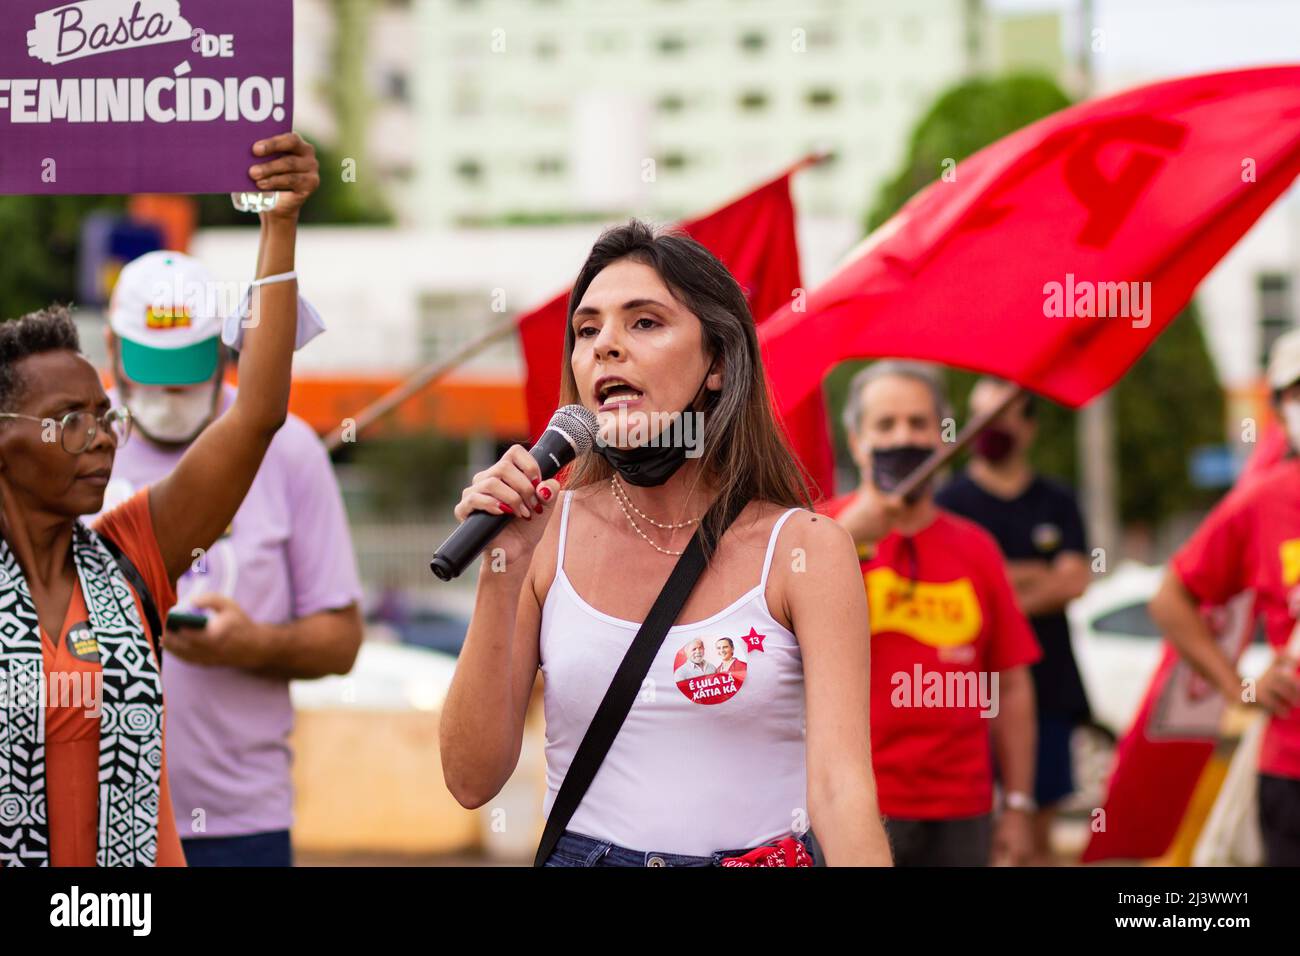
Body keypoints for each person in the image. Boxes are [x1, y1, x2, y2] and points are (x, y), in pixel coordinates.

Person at [439, 220, 892, 866]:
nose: (606, 347)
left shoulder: (806, 549)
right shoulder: (543, 535)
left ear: (717, 363)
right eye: (587, 329)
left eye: (644, 322)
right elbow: (469, 779)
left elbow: (841, 789)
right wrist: (500, 571)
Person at [0, 132, 320, 867]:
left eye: (104, 415)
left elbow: (257, 413)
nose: (103, 437)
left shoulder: (132, 556)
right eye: (69, 420)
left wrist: (277, 224)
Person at [99, 249, 363, 867]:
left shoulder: (288, 449)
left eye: (186, 371)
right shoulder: (77, 444)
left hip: (238, 826)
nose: (167, 394)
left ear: (224, 352)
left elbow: (342, 638)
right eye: (149, 371)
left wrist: (250, 645)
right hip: (97, 819)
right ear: (112, 350)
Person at [822, 361, 1041, 867]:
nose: (904, 437)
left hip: (961, 811)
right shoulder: (815, 532)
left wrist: (1018, 805)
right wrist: (847, 538)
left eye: (920, 424)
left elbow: (1011, 686)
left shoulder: (977, 549)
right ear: (856, 441)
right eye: (886, 425)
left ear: (944, 438)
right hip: (851, 806)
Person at [1150, 327, 1300, 866]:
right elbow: (1170, 598)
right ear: (1280, 411)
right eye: (1298, 390)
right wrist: (1237, 686)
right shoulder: (1264, 503)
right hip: (1291, 767)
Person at [935, 378, 1092, 865]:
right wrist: (1032, 574)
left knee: (1035, 838)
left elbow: (1073, 581)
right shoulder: (950, 503)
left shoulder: (1057, 501)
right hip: (966, 694)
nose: (988, 428)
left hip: (1048, 688)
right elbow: (953, 590)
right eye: (978, 416)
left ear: (1028, 427)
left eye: (1000, 415)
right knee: (971, 839)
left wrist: (994, 587)